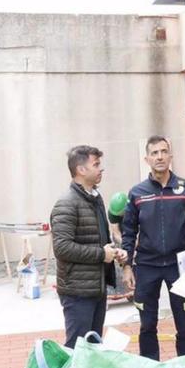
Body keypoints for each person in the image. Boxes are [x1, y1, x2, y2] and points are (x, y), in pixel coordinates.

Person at [121, 136, 185, 361]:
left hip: (181, 267)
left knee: (184, 322)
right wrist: (127, 266)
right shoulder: (137, 193)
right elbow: (129, 232)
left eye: (163, 152)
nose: (159, 157)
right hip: (147, 266)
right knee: (147, 324)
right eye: (154, 153)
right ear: (147, 158)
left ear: (170, 156)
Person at [50, 145, 127, 348]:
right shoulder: (66, 203)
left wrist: (112, 250)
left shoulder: (95, 198)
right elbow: (62, 247)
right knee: (76, 349)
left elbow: (97, 240)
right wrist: (101, 254)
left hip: (95, 287)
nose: (101, 169)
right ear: (81, 169)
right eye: (96, 164)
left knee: (92, 347)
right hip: (77, 292)